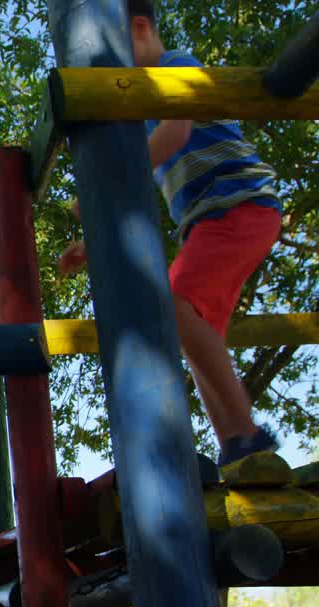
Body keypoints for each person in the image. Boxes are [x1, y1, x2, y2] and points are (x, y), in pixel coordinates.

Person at [59, 0, 282, 468]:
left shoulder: (175, 65)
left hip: (238, 205)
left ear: (140, 30)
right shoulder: (146, 118)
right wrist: (96, 234)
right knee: (196, 334)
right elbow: (144, 193)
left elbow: (178, 133)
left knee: (174, 303)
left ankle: (248, 434)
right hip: (211, 220)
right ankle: (235, 448)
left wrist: (106, 185)